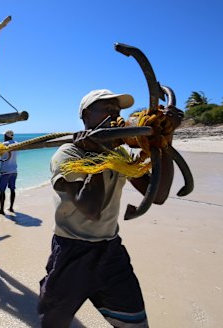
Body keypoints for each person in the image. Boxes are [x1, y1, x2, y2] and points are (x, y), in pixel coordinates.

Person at [37, 89, 179, 328]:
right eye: (107, 110)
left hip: (111, 251)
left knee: (135, 322)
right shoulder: (68, 153)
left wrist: (164, 140)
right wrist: (96, 154)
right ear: (85, 116)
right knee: (54, 322)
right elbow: (91, 209)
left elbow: (159, 195)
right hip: (72, 251)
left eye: (118, 111)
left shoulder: (119, 153)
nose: (115, 117)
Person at [0, 130, 18, 215]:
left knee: (2, 191)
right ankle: (11, 207)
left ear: (6, 136)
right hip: (14, 170)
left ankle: (1, 210)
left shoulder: (4, 144)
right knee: (12, 189)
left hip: (5, 171)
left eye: (4, 135)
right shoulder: (17, 143)